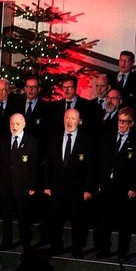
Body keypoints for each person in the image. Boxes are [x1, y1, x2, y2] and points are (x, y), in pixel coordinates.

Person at [41, 108, 96, 258]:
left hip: (77, 189)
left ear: (78, 121)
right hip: (57, 188)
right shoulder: (55, 137)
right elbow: (48, 164)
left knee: (77, 222)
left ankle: (77, 249)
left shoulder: (86, 139)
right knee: (55, 220)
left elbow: (91, 167)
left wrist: (88, 189)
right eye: (67, 118)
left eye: (73, 119)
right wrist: (46, 185)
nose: (69, 122)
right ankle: (56, 247)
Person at [94, 107, 136, 262]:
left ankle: (122, 252)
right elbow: (101, 162)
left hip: (124, 187)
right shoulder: (108, 137)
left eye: (125, 122)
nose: (122, 125)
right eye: (120, 121)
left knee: (123, 222)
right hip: (108, 184)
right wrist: (100, 182)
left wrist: (134, 187)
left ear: (131, 123)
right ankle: (104, 248)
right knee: (105, 219)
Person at [0, 113, 38, 252]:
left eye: (17, 124)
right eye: (12, 123)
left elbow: (34, 165)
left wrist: (33, 185)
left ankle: (25, 243)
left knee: (24, 217)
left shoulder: (32, 141)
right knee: (6, 216)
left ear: (23, 124)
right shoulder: (4, 140)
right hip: (6, 185)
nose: (14, 126)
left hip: (23, 186)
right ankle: (7, 241)